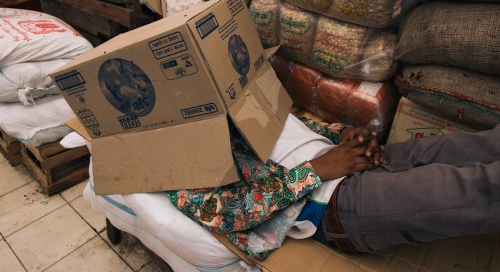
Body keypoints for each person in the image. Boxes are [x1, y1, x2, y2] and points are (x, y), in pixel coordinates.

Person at [165, 114, 500, 259]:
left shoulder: (230, 102)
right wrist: (315, 170)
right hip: (335, 203)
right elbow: (226, 215)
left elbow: (296, 125)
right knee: (472, 188)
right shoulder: (164, 161)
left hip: (345, 159)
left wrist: (343, 134)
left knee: (467, 148)